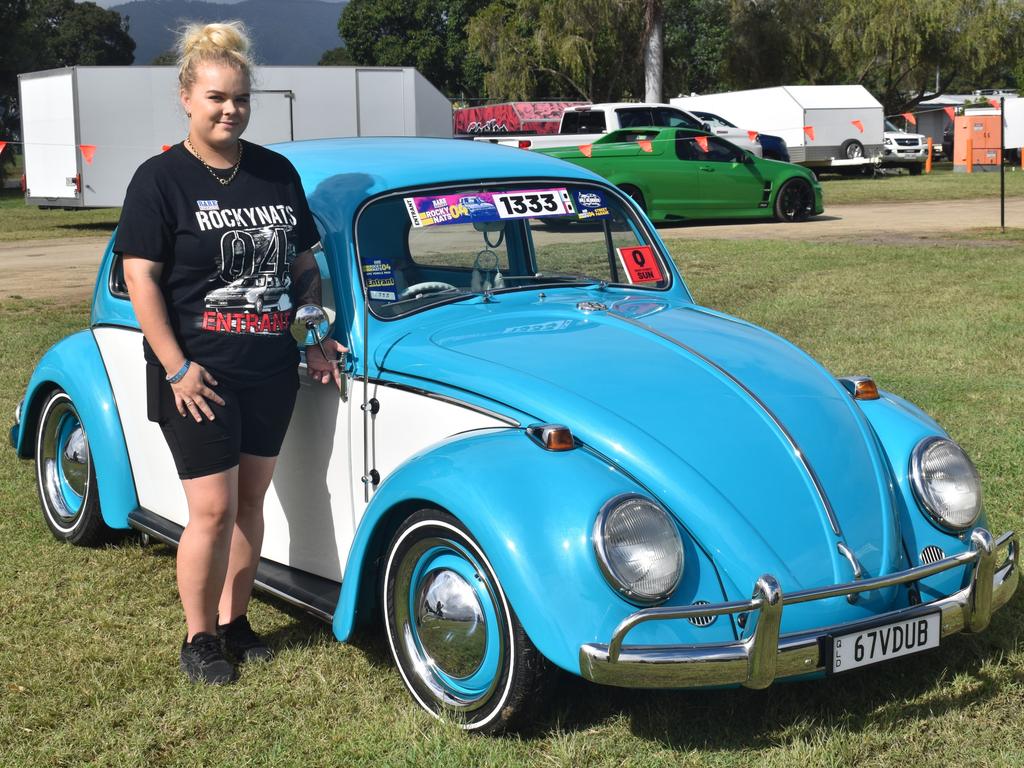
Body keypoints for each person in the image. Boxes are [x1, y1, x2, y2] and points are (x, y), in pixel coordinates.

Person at [116, 21, 344, 684]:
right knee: (211, 511)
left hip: (270, 369)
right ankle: (199, 638)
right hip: (197, 377)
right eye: (216, 97)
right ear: (186, 97)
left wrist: (312, 337)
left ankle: (236, 621)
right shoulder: (160, 180)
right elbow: (140, 279)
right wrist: (177, 367)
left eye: (240, 98)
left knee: (250, 504)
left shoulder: (275, 173)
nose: (230, 109)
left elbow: (300, 265)